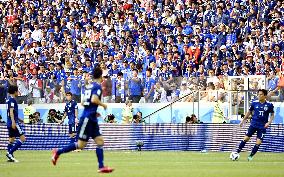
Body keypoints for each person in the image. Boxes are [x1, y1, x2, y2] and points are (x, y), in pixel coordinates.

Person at [52, 67, 114, 173]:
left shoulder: (88, 86)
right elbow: (94, 99)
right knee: (80, 145)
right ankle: (58, 152)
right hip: (87, 118)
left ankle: (101, 166)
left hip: (91, 117)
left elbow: (83, 102)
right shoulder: (97, 87)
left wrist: (94, 111)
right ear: (101, 76)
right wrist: (103, 105)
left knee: (100, 142)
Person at [235, 89, 274, 161]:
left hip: (262, 126)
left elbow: (272, 114)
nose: (259, 96)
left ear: (265, 96)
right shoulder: (254, 103)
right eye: (258, 94)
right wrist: (243, 121)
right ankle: (236, 152)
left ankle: (250, 156)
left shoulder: (269, 105)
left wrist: (269, 122)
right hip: (253, 124)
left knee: (258, 142)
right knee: (246, 138)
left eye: (261, 94)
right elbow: (249, 112)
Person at [6, 85, 26, 162]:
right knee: (23, 138)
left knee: (11, 139)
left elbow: (12, 112)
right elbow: (11, 111)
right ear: (15, 92)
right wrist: (14, 122)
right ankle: (10, 153)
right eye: (18, 91)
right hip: (13, 122)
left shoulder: (8, 100)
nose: (18, 92)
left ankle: (9, 157)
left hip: (9, 122)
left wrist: (20, 119)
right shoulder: (12, 100)